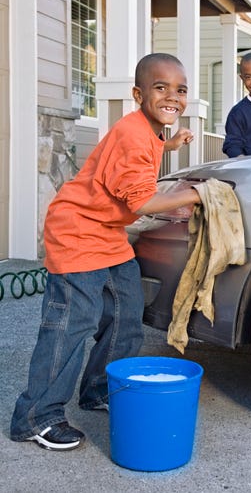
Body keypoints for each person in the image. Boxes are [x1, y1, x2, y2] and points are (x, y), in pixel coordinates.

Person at [10, 53, 202, 451]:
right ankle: (36, 417)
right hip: (78, 233)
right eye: (160, 88)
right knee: (71, 325)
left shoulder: (147, 130)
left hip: (107, 234)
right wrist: (194, 194)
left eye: (180, 89)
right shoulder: (131, 133)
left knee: (125, 313)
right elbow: (140, 201)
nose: (172, 96)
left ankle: (98, 390)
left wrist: (171, 143)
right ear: (137, 94)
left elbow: (146, 155)